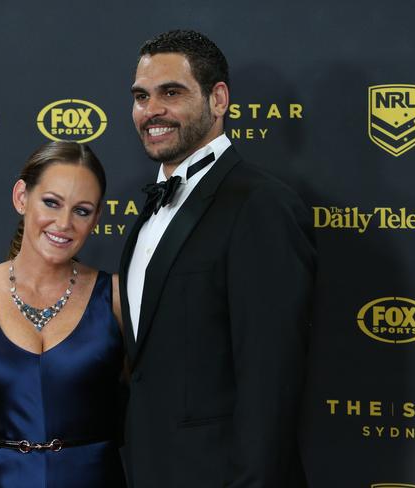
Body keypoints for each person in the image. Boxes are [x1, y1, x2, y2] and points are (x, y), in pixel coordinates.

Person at [119, 30, 315, 487]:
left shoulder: (261, 205)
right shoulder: (151, 206)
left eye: (171, 92)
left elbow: (272, 380)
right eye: (141, 96)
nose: (152, 111)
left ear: (218, 98)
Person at [0, 141, 127, 487]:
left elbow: (151, 416)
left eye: (81, 210)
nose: (63, 223)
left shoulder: (117, 297)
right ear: (22, 197)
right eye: (51, 203)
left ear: (96, 217)